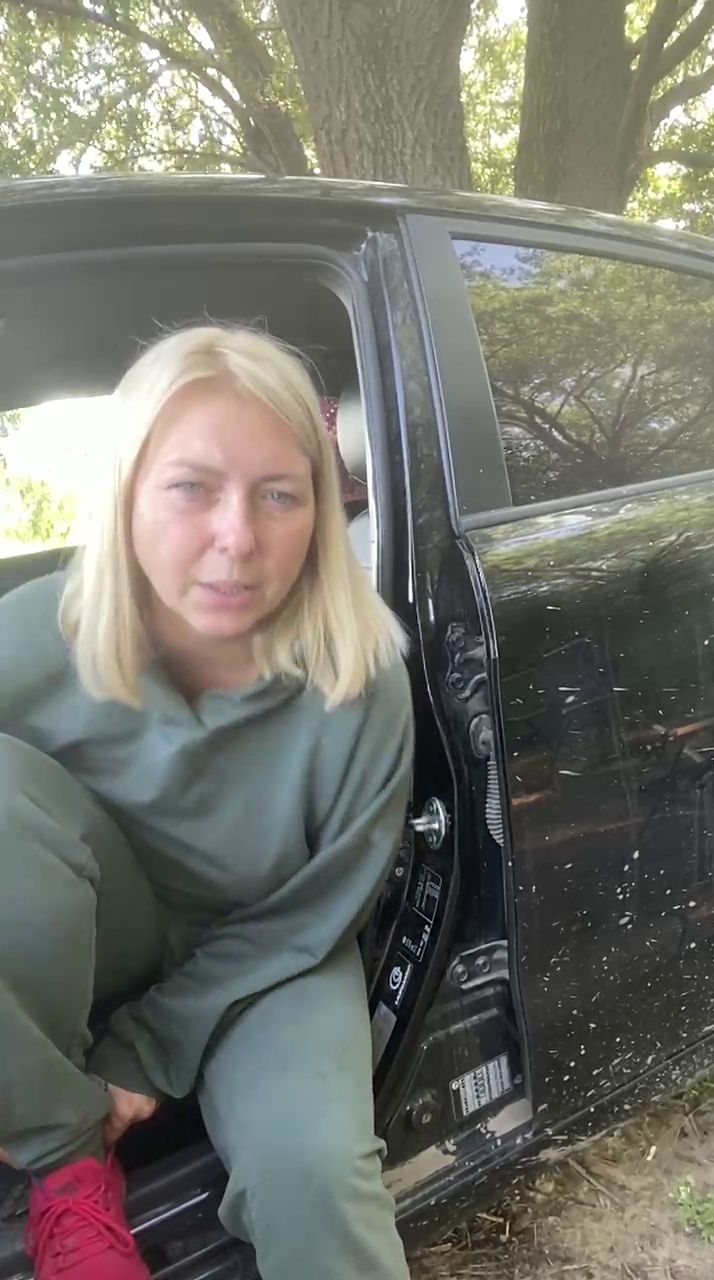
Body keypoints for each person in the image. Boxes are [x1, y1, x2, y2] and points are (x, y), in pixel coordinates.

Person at [0, 325, 414, 1280]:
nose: (238, 538)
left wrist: (145, 1050)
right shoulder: (35, 635)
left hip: (271, 947)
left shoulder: (360, 677)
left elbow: (318, 910)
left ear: (321, 511)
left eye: (280, 494)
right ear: (127, 495)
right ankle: (66, 1167)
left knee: (315, 1179)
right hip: (98, 926)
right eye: (191, 487)